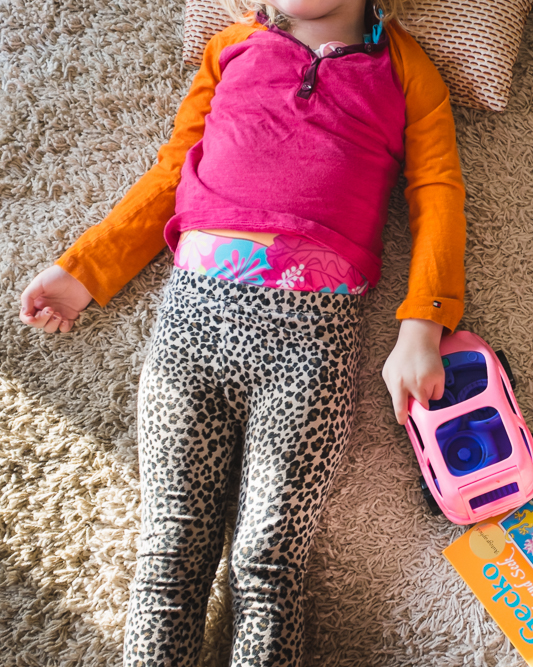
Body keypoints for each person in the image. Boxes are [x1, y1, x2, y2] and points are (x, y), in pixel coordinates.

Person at [18, 0, 466, 664]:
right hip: (192, 323)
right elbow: (174, 171)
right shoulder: (231, 48)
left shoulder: (406, 69)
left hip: (310, 342)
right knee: (170, 551)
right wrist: (86, 269)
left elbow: (439, 189)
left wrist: (422, 324)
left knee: (268, 563)